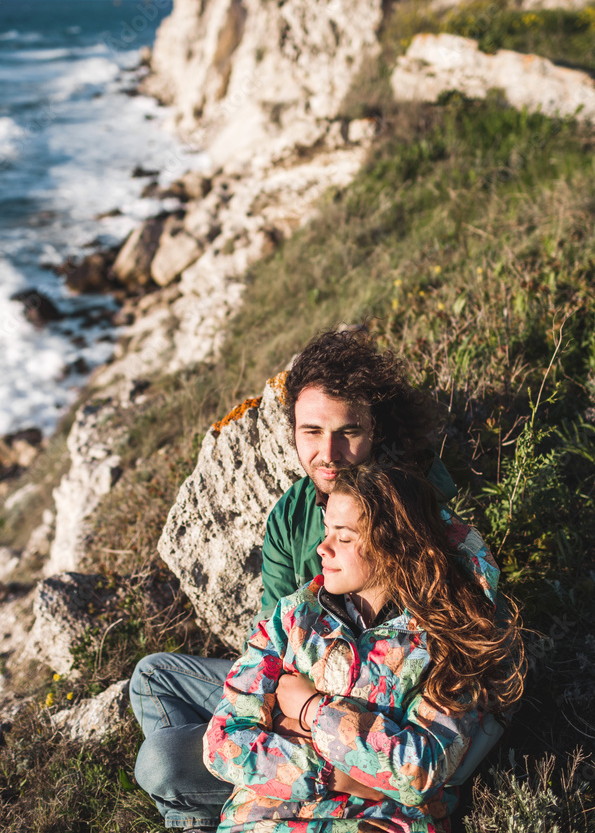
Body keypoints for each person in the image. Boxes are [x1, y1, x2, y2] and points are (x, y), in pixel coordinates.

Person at [130, 330, 482, 829]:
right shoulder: (291, 514)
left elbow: (457, 674)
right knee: (151, 676)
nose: (328, 453)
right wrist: (290, 717)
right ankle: (227, 801)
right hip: (300, 695)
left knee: (162, 760)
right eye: (311, 431)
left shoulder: (418, 509)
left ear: (377, 429)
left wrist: (310, 722)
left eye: (348, 432)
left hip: (371, 708)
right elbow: (271, 649)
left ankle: (232, 796)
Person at [204, 462, 525, 833]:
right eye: (327, 531)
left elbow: (418, 771)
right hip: (260, 823)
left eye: (343, 537)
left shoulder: (447, 638)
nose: (322, 548)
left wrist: (310, 712)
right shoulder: (293, 616)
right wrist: (338, 775)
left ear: (394, 545)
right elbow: (222, 742)